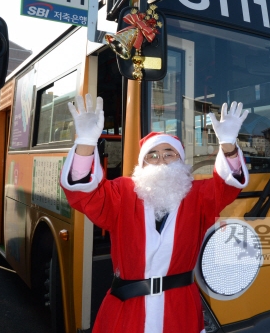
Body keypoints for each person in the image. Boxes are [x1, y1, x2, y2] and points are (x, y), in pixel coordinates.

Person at [60, 94, 249, 333]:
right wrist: (86, 141)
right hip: (128, 309)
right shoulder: (122, 192)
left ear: (181, 161)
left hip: (180, 310)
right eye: (152, 155)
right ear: (142, 164)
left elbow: (229, 185)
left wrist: (229, 145)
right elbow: (84, 194)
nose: (161, 160)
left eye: (170, 154)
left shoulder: (197, 194)